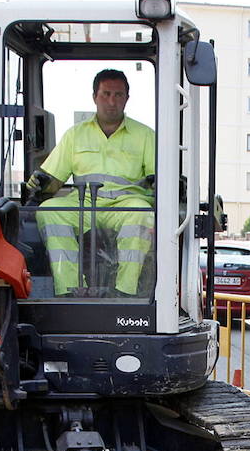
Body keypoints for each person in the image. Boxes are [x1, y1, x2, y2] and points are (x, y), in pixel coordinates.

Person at [29, 68, 156, 297]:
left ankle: (124, 291)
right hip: (84, 204)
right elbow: (54, 180)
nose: (111, 101)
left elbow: (159, 179)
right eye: (106, 94)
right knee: (49, 210)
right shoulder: (75, 135)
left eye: (118, 95)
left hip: (126, 204)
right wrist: (40, 183)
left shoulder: (145, 135)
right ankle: (69, 289)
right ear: (94, 97)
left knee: (142, 214)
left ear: (127, 98)